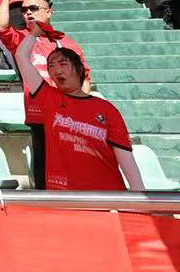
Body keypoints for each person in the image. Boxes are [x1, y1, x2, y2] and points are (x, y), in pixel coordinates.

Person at [0, 0, 87, 188]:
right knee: (44, 167)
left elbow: (85, 77)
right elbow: (1, 28)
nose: (28, 13)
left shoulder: (66, 42)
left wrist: (81, 108)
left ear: (49, 12)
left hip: (69, 115)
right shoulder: (21, 39)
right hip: (40, 114)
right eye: (24, 10)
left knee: (73, 165)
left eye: (34, 8)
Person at [23, 46, 141, 191]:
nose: (57, 71)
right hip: (65, 197)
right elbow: (21, 56)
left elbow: (125, 157)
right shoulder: (49, 98)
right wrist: (34, 35)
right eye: (51, 66)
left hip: (107, 196)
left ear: (79, 69)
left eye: (63, 64)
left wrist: (140, 194)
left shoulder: (107, 109)